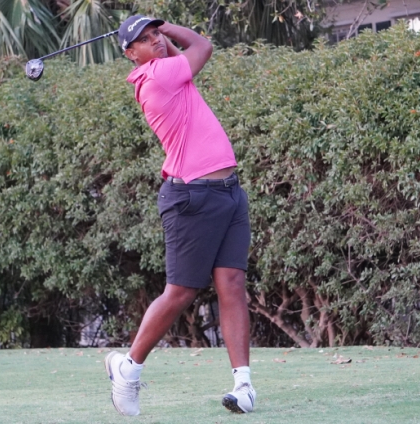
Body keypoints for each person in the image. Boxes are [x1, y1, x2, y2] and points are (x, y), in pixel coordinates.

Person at [104, 15, 256, 416]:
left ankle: (243, 385)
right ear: (130, 54)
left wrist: (158, 35)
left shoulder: (170, 72)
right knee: (181, 292)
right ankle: (128, 370)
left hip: (228, 192)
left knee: (232, 284)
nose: (155, 41)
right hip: (192, 196)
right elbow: (202, 47)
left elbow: (181, 55)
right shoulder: (156, 75)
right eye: (144, 39)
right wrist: (169, 26)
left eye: (156, 34)